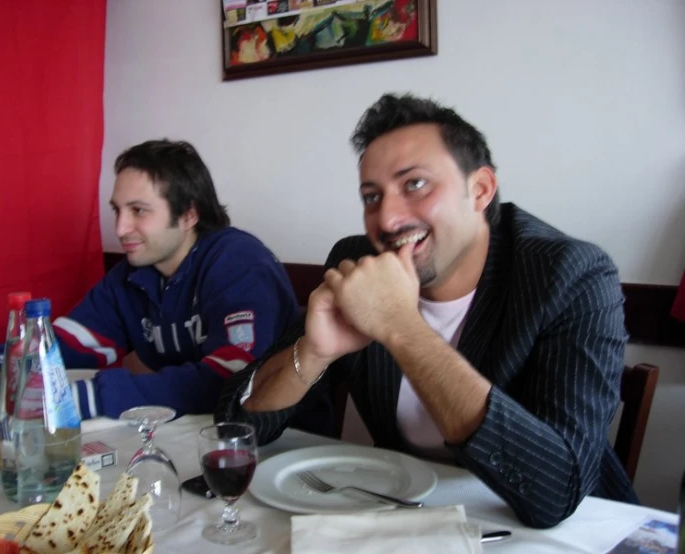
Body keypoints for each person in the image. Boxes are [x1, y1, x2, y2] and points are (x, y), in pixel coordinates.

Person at [216, 93, 637, 528]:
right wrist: (315, 352)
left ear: (480, 190)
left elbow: (556, 492)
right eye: (372, 196)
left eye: (415, 184)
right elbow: (235, 428)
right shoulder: (359, 263)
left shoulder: (571, 275)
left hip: (568, 532)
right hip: (412, 518)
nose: (388, 218)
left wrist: (401, 327)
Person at [0, 139, 301, 420]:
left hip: (279, 440)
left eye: (138, 211)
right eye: (117, 211)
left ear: (189, 214)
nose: (121, 228)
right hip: (190, 430)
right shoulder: (134, 273)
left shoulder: (239, 263)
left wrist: (92, 397)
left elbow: (232, 379)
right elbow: (70, 344)